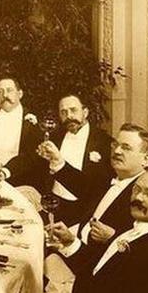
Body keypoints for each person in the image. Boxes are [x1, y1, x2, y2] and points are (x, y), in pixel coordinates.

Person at [50, 123, 148, 271]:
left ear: (145, 160)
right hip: (77, 250)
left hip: (99, 270)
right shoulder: (111, 176)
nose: (117, 151)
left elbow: (146, 248)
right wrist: (57, 161)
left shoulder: (146, 195)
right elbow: (84, 188)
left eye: (126, 147)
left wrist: (113, 236)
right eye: (116, 145)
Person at [36, 94, 113, 226]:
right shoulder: (55, 137)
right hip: (54, 206)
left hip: (83, 212)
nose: (69, 116)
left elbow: (97, 187)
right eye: (63, 112)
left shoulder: (104, 142)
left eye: (73, 110)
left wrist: (58, 162)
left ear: (85, 112)